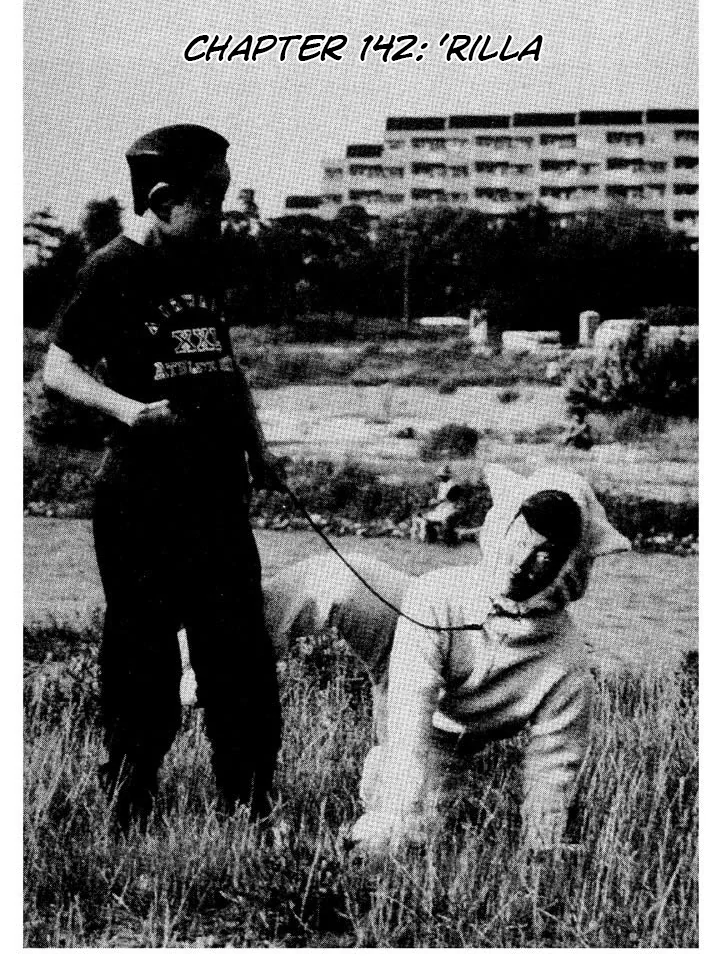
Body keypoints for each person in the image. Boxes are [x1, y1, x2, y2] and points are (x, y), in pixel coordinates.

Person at [44, 124, 282, 831]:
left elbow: (224, 367)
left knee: (239, 654)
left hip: (217, 492)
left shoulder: (201, 263)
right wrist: (128, 410)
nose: (221, 212)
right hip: (141, 499)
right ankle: (130, 806)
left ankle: (248, 807)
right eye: (211, 198)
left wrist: (259, 449)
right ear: (162, 198)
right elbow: (58, 367)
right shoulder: (112, 268)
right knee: (142, 657)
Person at [349, 465, 630, 854]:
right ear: (502, 528)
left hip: (470, 739)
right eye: (521, 538)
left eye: (545, 554)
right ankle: (385, 788)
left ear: (569, 562)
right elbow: (411, 704)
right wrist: (396, 810)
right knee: (394, 835)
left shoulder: (566, 659)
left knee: (436, 837)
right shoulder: (436, 594)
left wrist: (542, 845)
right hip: (420, 726)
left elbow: (553, 765)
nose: (523, 561)